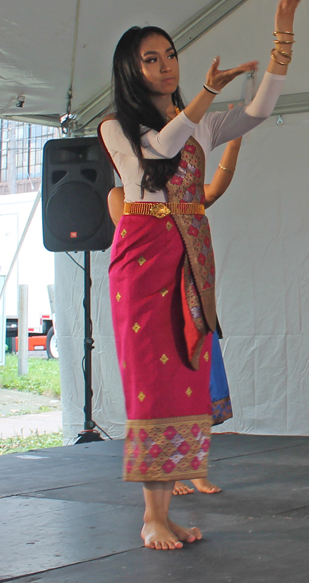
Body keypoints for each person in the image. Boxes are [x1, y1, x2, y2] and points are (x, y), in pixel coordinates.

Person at [98, 0, 307, 551]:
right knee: (152, 382)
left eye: (170, 55)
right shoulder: (115, 126)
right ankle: (151, 517)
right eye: (152, 58)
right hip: (143, 257)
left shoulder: (200, 124)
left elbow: (258, 112)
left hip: (190, 255)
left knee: (188, 374)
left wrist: (281, 42)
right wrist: (206, 94)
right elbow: (162, 150)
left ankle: (166, 510)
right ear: (130, 69)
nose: (166, 66)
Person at [108, 134, 242, 497]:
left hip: (192, 290)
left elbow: (211, 193)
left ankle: (195, 467)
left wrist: (234, 142)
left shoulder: (180, 191)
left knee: (201, 385)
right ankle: (172, 473)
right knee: (164, 389)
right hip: (155, 299)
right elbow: (140, 239)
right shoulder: (122, 196)